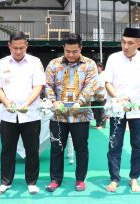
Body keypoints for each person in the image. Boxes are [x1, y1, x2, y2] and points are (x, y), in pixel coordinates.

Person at [104, 27, 140, 192]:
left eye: (130, 43)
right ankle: (114, 178)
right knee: (114, 144)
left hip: (138, 109)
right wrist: (117, 97)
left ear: (139, 44)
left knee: (139, 145)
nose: (125, 46)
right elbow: (108, 83)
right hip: (117, 109)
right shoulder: (113, 58)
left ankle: (134, 178)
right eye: (123, 42)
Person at [45, 33, 101, 192]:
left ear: (81, 48)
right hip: (58, 116)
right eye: (68, 51)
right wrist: (53, 101)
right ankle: (55, 179)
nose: (71, 55)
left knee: (81, 148)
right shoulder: (54, 64)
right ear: (63, 48)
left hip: (80, 116)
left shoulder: (90, 64)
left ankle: (80, 179)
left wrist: (79, 102)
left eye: (74, 51)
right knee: (56, 147)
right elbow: (48, 85)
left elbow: (91, 86)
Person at [0, 31, 45, 195]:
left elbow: (38, 86)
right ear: (9, 46)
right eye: (15, 48)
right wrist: (6, 103)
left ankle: (32, 182)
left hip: (30, 114)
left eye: (21, 48)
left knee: (32, 149)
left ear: (26, 46)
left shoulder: (35, 62)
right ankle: (5, 181)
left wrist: (27, 104)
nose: (18, 51)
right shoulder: (2, 63)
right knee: (7, 149)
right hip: (8, 115)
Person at [91, 61, 107, 129]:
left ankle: (103, 125)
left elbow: (102, 86)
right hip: (95, 96)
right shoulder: (96, 75)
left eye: (98, 67)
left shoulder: (104, 74)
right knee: (97, 111)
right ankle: (98, 124)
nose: (97, 68)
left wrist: (93, 92)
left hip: (102, 95)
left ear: (101, 67)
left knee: (102, 110)